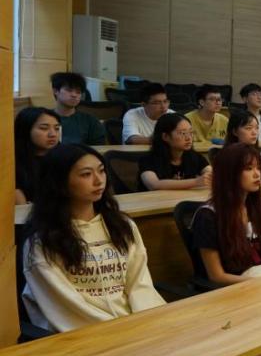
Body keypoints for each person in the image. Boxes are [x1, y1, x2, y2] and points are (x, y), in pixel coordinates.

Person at [21, 144, 166, 332]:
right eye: (86, 174)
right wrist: (118, 330)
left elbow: (139, 284)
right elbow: (66, 306)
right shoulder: (42, 241)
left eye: (102, 171)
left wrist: (149, 323)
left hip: (132, 326)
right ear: (59, 182)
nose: (99, 181)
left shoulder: (122, 225)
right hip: (83, 333)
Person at [192, 143, 261, 284]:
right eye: (249, 169)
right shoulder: (208, 216)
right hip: (234, 287)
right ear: (230, 174)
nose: (257, 174)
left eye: (258, 168)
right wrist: (257, 284)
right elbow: (216, 276)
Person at [139, 113, 212, 191]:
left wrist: (209, 176)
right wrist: (196, 182)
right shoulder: (148, 160)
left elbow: (210, 173)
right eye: (183, 133)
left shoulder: (195, 157)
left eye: (191, 132)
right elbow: (154, 184)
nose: (188, 138)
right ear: (165, 136)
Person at [15, 107, 61, 204]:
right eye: (44, 128)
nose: (53, 134)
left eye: (56, 128)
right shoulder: (12, 162)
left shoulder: (66, 156)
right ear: (26, 129)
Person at [50, 72, 105, 145]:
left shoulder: (91, 121)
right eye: (69, 90)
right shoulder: (44, 119)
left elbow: (99, 148)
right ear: (55, 91)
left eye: (78, 92)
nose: (74, 95)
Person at [225, 110, 261, 178]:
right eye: (248, 128)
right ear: (235, 132)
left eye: (257, 128)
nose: (254, 132)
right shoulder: (225, 158)